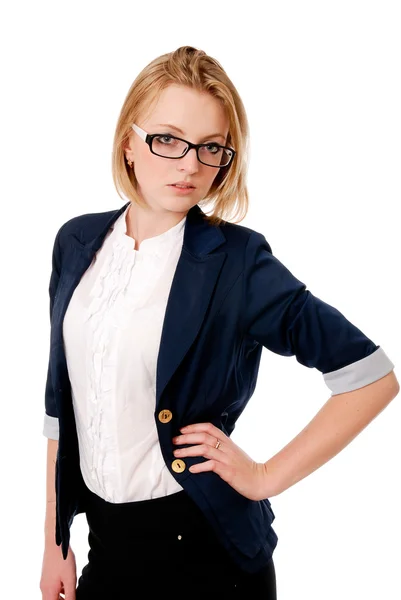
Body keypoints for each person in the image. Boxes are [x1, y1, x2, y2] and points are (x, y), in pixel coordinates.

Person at [40, 45, 398, 599]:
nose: (190, 164)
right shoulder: (76, 242)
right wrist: (55, 542)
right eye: (168, 139)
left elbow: (371, 375)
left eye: (211, 148)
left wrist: (264, 477)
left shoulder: (238, 262)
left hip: (206, 553)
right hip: (105, 547)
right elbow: (61, 408)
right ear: (129, 143)